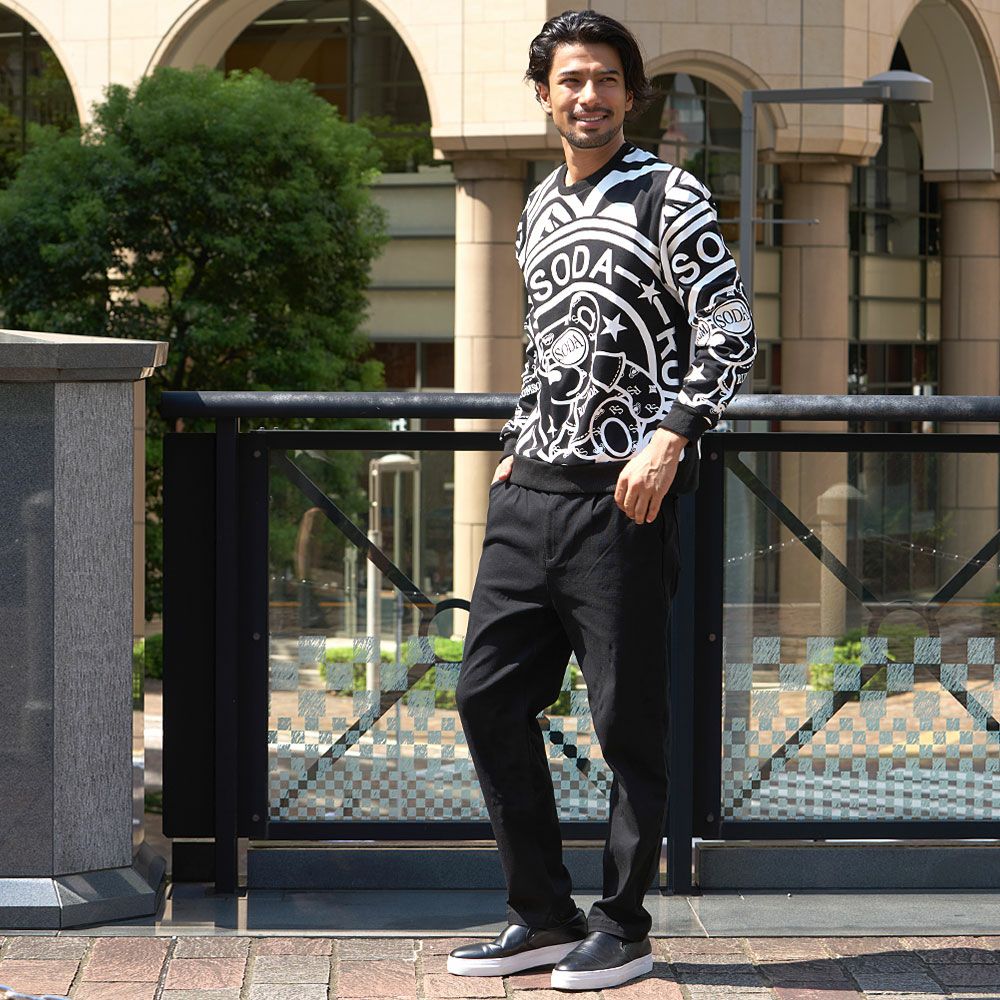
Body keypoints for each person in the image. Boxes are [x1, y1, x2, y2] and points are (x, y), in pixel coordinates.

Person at [448, 9, 756, 991]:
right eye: (572, 80)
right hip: (529, 497)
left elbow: (728, 330)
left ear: (631, 94)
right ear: (545, 95)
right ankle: (542, 913)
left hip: (623, 503)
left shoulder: (669, 193)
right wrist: (514, 445)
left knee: (628, 726)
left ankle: (622, 927)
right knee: (486, 696)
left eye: (607, 79)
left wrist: (672, 434)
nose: (589, 95)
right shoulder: (538, 205)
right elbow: (547, 346)